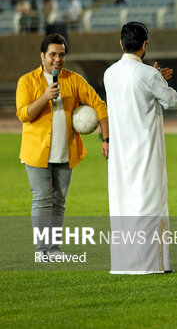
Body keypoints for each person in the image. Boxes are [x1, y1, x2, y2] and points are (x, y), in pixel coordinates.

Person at [16, 34, 109, 259]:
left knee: (58, 202)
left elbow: (99, 105)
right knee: (42, 199)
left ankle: (54, 249)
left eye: (61, 55)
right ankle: (42, 250)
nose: (57, 59)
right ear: (42, 56)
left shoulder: (74, 80)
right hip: (36, 152)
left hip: (66, 152)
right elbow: (23, 114)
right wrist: (45, 97)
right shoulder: (27, 81)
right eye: (53, 55)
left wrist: (106, 139)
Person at [103, 22, 177, 274]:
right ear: (145, 45)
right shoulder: (148, 74)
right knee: (149, 205)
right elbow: (172, 101)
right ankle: (153, 265)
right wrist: (158, 78)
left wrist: (155, 77)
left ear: (121, 43)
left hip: (120, 155)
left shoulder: (109, 73)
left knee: (123, 205)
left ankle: (124, 264)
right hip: (145, 151)